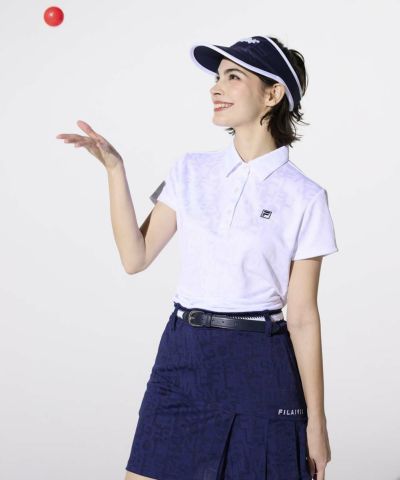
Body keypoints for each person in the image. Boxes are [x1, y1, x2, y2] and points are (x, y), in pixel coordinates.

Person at [56, 34, 338, 480]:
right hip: (182, 358)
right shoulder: (190, 170)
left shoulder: (305, 196)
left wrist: (317, 424)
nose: (215, 88)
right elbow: (135, 257)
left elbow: (303, 317)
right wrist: (114, 169)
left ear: (272, 94)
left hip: (259, 366)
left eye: (233, 77)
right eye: (217, 77)